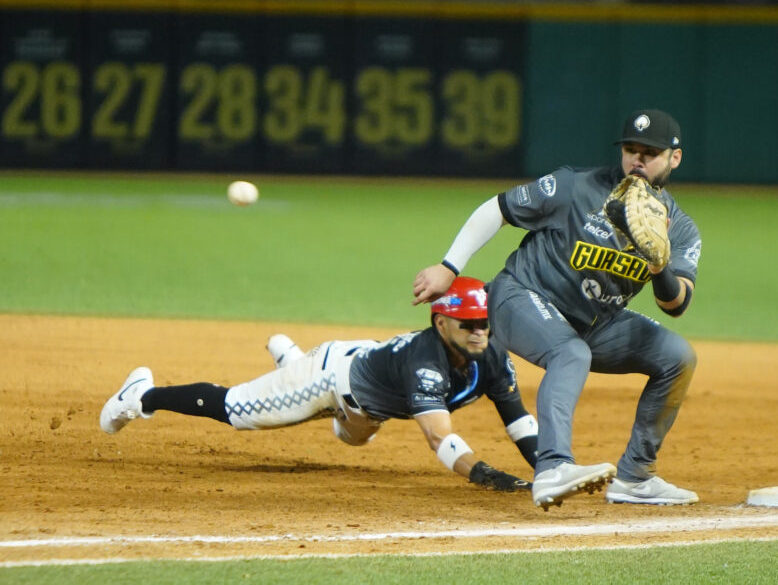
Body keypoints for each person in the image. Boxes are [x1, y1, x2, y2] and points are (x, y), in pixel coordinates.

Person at [413, 109, 701, 510]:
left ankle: (635, 477)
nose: (637, 159)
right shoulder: (575, 186)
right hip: (521, 296)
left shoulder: (680, 228)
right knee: (570, 352)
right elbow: (498, 208)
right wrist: (449, 267)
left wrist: (658, 262)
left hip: (596, 321)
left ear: (674, 158)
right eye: (631, 149)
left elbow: (676, 303)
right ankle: (552, 468)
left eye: (649, 152)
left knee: (678, 357)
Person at [99, 276, 537, 492]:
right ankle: (140, 395)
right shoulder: (425, 361)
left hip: (369, 399)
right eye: (469, 323)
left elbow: (517, 418)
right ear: (441, 323)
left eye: (485, 323)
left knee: (353, 439)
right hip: (332, 380)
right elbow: (437, 435)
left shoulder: (491, 355)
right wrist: (485, 476)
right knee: (238, 411)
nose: (480, 331)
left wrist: (548, 466)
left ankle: (292, 363)